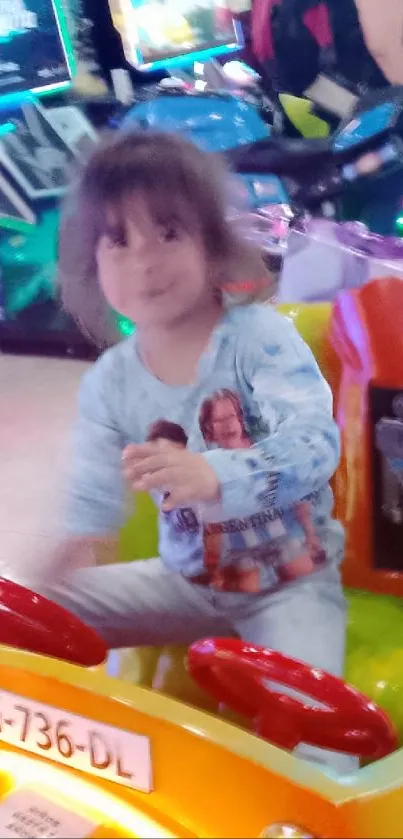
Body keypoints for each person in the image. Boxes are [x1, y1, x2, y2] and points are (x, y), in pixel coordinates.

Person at [41, 130, 354, 774]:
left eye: (168, 234)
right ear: (91, 263)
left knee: (323, 740)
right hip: (182, 581)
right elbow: (93, 493)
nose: (144, 264)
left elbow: (315, 445)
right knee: (35, 615)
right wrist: (69, 550)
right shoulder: (113, 379)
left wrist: (214, 474)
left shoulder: (259, 339)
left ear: (212, 245)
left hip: (288, 584)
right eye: (118, 242)